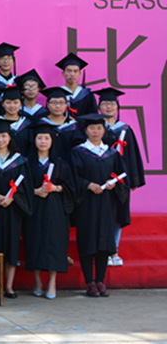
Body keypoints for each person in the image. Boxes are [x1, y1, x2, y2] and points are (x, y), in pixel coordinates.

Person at [70, 113, 128, 298]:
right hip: (86, 203)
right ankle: (90, 282)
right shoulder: (78, 152)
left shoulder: (111, 153)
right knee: (88, 241)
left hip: (107, 203)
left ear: (104, 130)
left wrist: (114, 184)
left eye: (99, 128)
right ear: (86, 130)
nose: (95, 131)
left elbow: (122, 176)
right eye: (92, 128)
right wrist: (88, 185)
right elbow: (72, 177)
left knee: (104, 242)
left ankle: (101, 281)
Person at [0, 119, 31, 298]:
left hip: (13, 210)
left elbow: (26, 186)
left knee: (12, 245)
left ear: (10, 138)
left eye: (3, 136)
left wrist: (12, 198)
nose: (0, 140)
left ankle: (9, 286)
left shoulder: (20, 161)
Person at [96, 87, 145, 267]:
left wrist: (133, 180)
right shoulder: (95, 129)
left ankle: (114, 250)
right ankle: (101, 252)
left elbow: (132, 156)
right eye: (105, 103)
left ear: (117, 107)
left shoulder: (125, 130)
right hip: (99, 179)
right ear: (99, 107)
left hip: (120, 181)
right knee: (100, 215)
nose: (108, 107)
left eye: (112, 104)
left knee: (117, 215)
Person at [24, 123, 73, 299]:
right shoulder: (27, 163)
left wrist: (55, 188)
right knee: (34, 242)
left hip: (55, 209)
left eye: (47, 138)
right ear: (34, 140)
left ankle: (52, 282)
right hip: (35, 209)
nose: (43, 141)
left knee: (55, 243)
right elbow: (21, 186)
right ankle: (37, 281)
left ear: (52, 141)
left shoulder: (60, 164)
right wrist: (34, 191)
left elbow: (71, 187)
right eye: (40, 138)